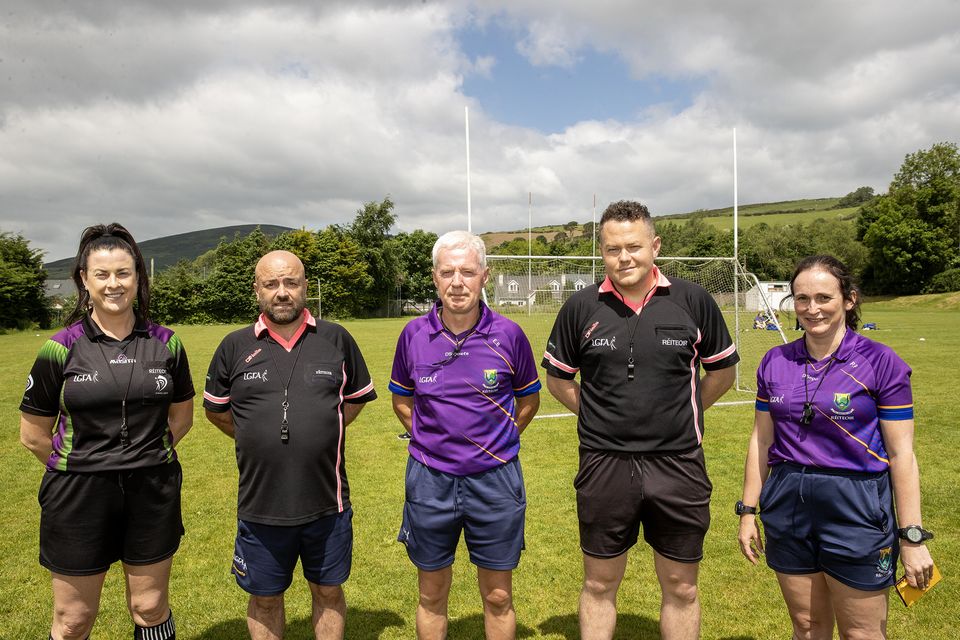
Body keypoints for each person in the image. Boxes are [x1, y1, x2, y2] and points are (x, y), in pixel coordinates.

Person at [542, 201, 739, 640]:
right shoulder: (580, 306)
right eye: (613, 249)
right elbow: (558, 379)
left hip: (678, 464)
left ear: (655, 246)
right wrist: (597, 415)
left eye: (633, 246)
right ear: (602, 251)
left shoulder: (693, 300)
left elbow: (722, 371)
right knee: (598, 583)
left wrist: (684, 411)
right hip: (604, 464)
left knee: (682, 587)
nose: (623, 258)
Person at [737, 255, 934, 639]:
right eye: (802, 298)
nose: (812, 309)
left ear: (849, 299)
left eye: (824, 297)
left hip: (857, 507)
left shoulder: (881, 362)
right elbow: (761, 440)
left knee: (861, 632)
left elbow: (901, 455)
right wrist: (747, 511)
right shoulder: (775, 361)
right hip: (788, 505)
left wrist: (911, 536)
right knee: (807, 627)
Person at [20, 223, 194, 640]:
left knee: (149, 607)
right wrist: (80, 465)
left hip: (152, 488)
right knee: (74, 618)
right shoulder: (60, 347)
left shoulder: (167, 344)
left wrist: (144, 457)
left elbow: (181, 418)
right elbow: (33, 434)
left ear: (138, 276)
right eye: (102, 274)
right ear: (84, 278)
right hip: (78, 493)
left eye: (123, 273)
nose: (113, 284)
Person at [203, 250, 376, 640]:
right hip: (261, 505)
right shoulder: (233, 346)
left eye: (291, 282)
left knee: (328, 590)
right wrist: (253, 434)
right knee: (265, 598)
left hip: (327, 503)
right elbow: (217, 412)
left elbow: (353, 401)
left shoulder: (336, 339)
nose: (282, 292)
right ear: (257, 290)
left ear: (305, 287)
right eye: (272, 284)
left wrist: (319, 428)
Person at [389, 230, 541, 639]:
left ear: (485, 276)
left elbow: (528, 400)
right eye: (448, 272)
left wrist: (496, 442)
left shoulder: (509, 335)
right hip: (429, 480)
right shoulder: (412, 336)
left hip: (495, 480)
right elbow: (402, 401)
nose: (458, 282)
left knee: (497, 596)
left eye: (468, 272)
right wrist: (432, 441)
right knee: (431, 594)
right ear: (435, 278)